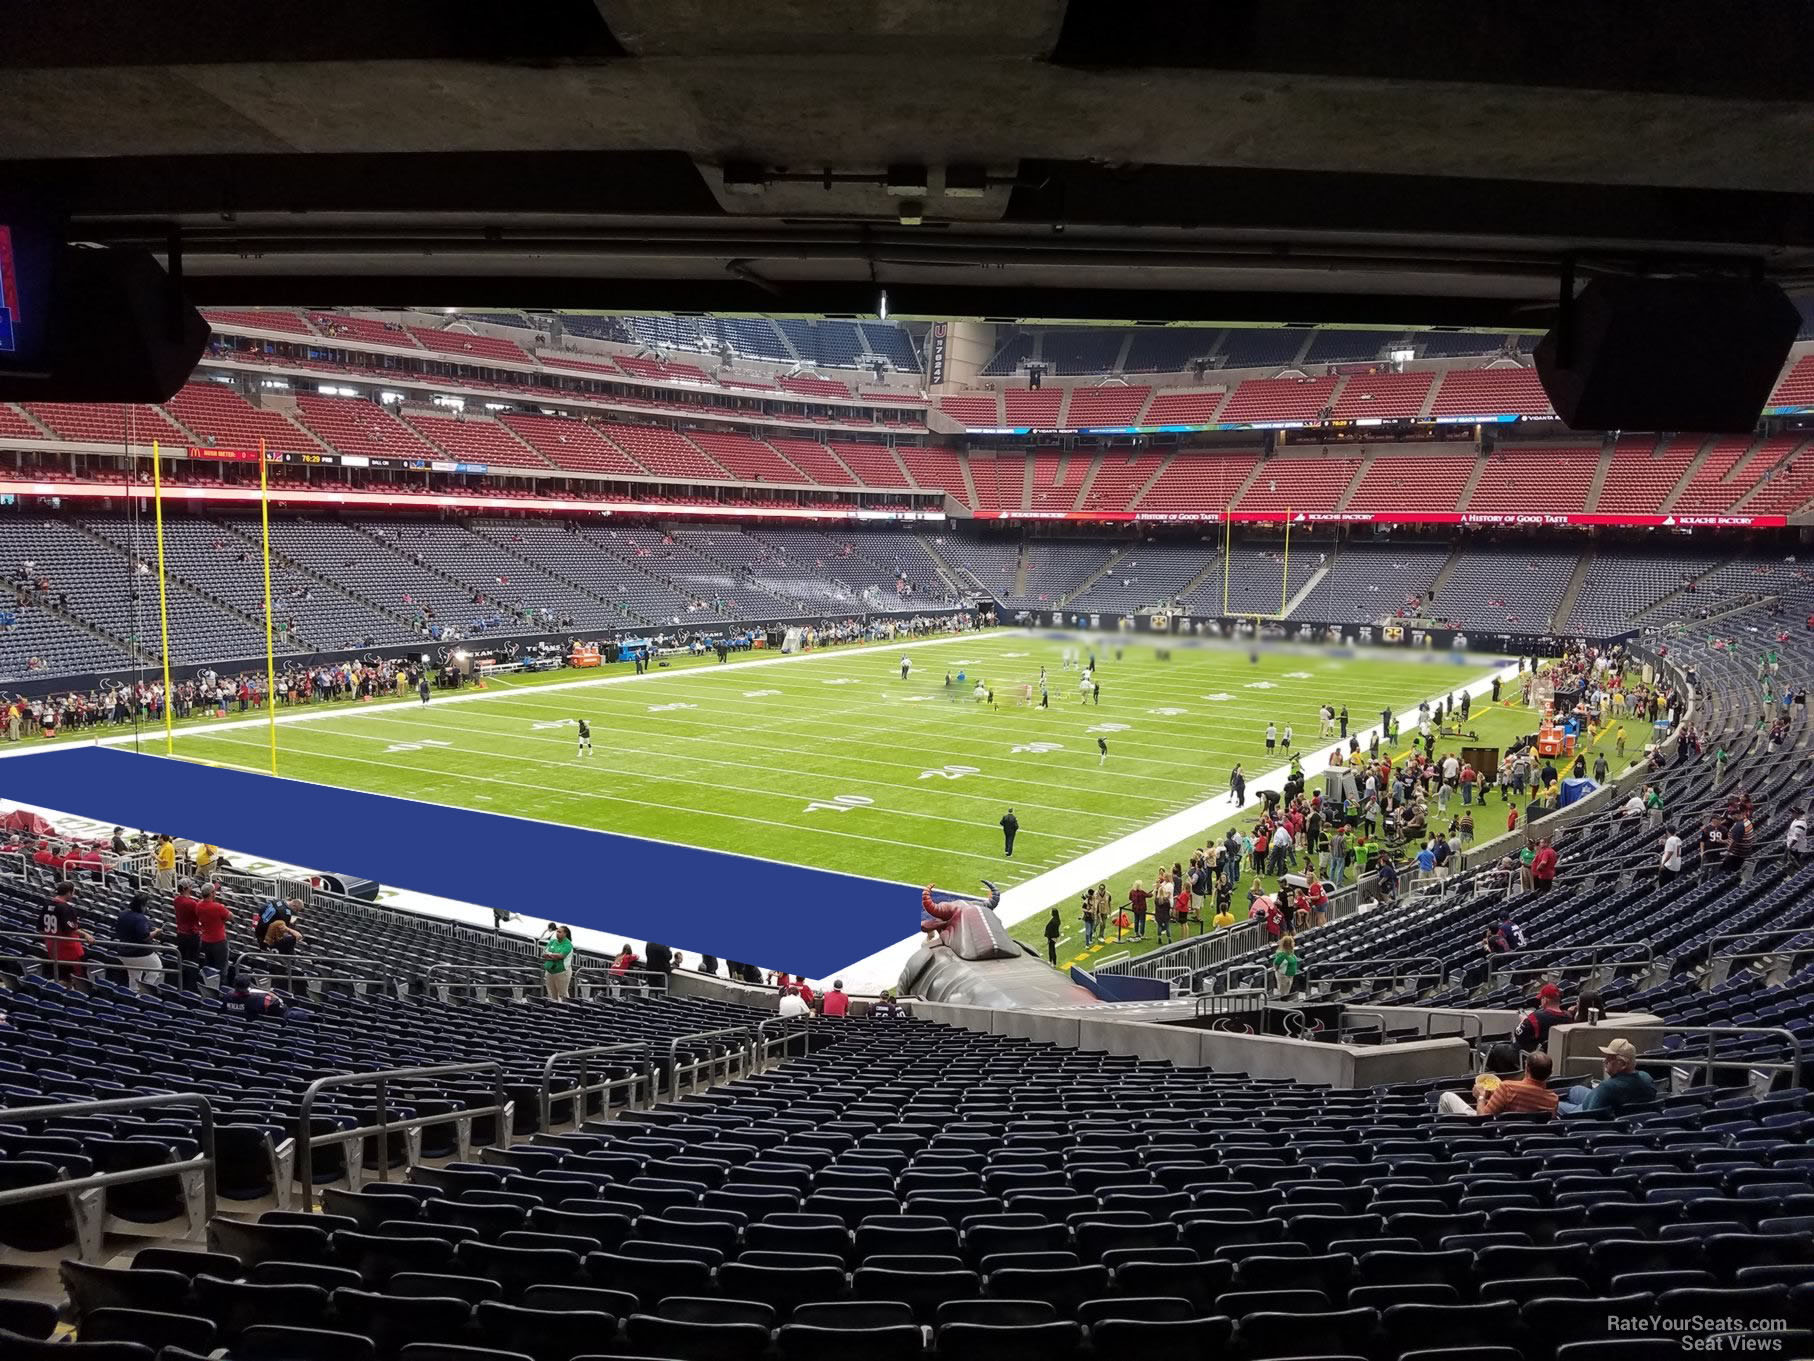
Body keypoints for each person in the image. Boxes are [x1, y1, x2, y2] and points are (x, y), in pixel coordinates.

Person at [1439, 1050, 1558, 1117]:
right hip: (1522, 1138)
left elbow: (1482, 1118)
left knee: (1446, 1097)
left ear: (1526, 1068)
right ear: (1550, 1073)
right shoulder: (1553, 1099)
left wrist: (1480, 1096)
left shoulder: (1507, 1087)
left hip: (1492, 1130)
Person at [1559, 1037, 1657, 1116]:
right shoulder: (1646, 1078)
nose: (1604, 1061)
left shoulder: (1607, 1087)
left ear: (1622, 1064)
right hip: (1612, 1106)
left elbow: (1589, 1116)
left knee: (1557, 1105)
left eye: (1609, 1059)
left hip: (1591, 1112)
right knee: (1576, 1090)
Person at [114, 891, 164, 991]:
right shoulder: (140, 918)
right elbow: (145, 936)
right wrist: (156, 932)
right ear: (142, 905)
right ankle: (145, 991)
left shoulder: (122, 914)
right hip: (139, 952)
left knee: (134, 976)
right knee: (157, 967)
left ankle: (133, 995)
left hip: (123, 952)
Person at [1515, 982, 1572, 1052]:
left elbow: (1519, 1035)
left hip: (1534, 1056)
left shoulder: (1535, 1017)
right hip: (1557, 1053)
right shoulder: (1569, 1017)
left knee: (1499, 1049)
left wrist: (1523, 1021)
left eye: (1542, 998)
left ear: (1545, 1000)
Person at [171, 878, 203, 991]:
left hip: (181, 934)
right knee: (193, 960)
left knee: (183, 959)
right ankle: (191, 986)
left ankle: (182, 982)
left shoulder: (177, 900)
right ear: (186, 888)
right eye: (190, 886)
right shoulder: (192, 903)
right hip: (191, 935)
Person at [194, 884, 231, 980]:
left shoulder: (198, 906)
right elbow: (231, 916)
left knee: (209, 965)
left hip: (205, 941)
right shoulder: (217, 907)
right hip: (218, 941)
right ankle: (222, 988)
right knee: (222, 967)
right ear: (211, 893)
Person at [1272, 933, 1301, 998]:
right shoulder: (1283, 955)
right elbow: (1276, 963)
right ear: (1288, 944)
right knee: (1283, 994)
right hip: (1284, 976)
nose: (1294, 943)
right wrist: (1280, 973)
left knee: (1287, 993)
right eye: (1292, 942)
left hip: (1290, 976)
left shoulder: (1291, 953)